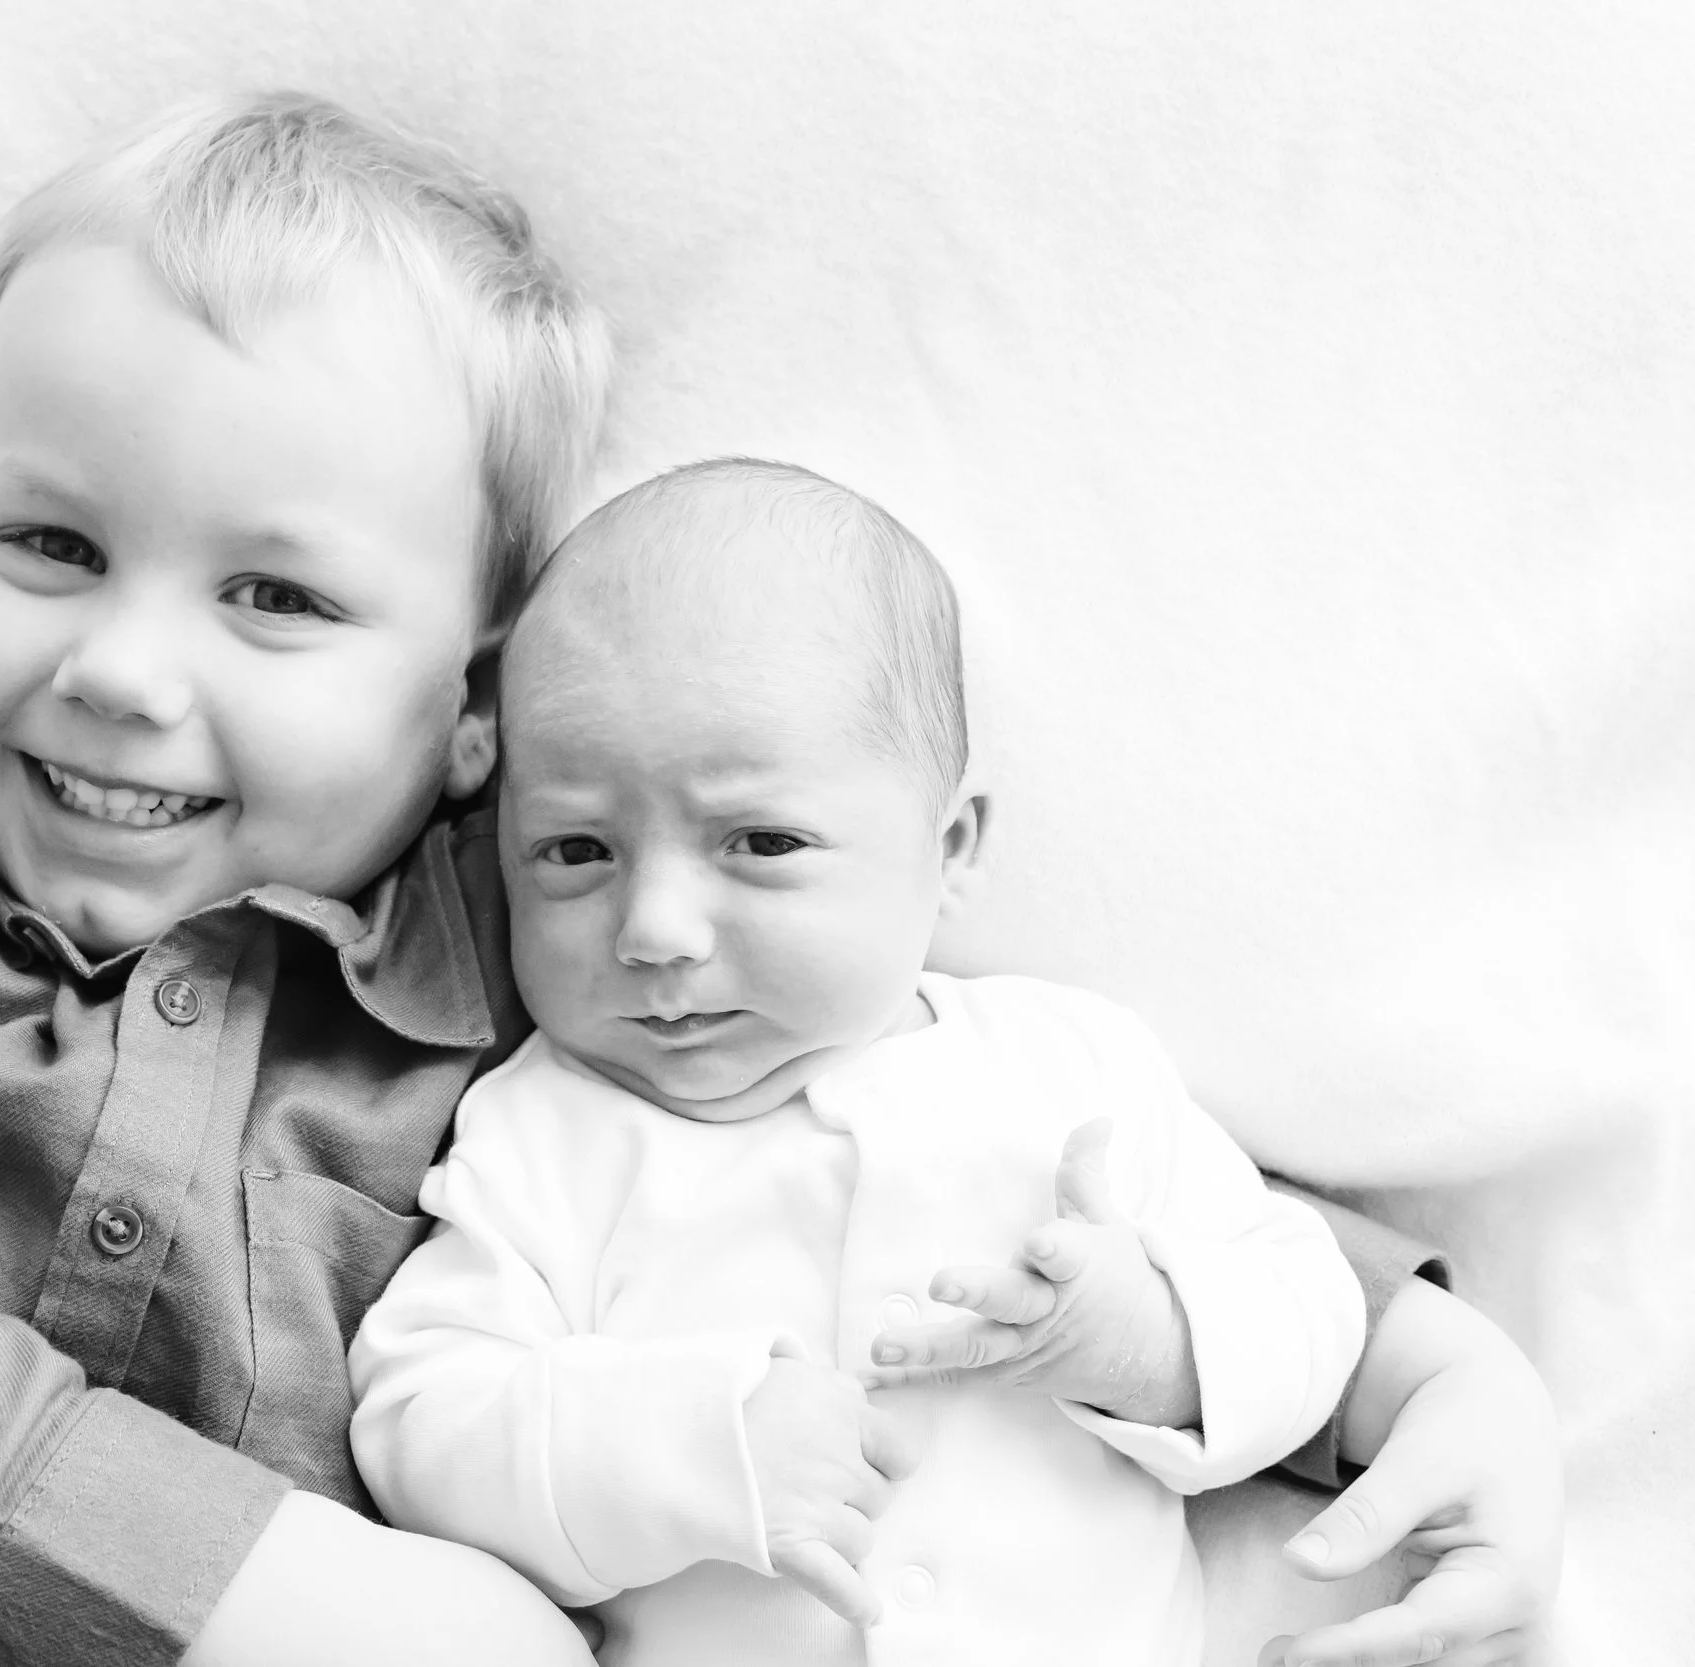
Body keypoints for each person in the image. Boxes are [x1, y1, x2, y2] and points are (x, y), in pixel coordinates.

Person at [0, 96, 1556, 1667]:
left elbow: (929, 1131)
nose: (120, 670)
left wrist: (1419, 1364)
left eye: (271, 595)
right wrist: (280, 1587)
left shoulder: (549, 965)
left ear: (473, 714)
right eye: (46, 541)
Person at [349, 460, 1561, 1667]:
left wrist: (1159, 1341)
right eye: (571, 850)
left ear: (952, 847)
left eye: (761, 841)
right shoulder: (538, 1136)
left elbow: (1309, 1309)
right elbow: (418, 1422)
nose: (653, 926)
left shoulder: (1068, 1068)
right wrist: (684, 1444)